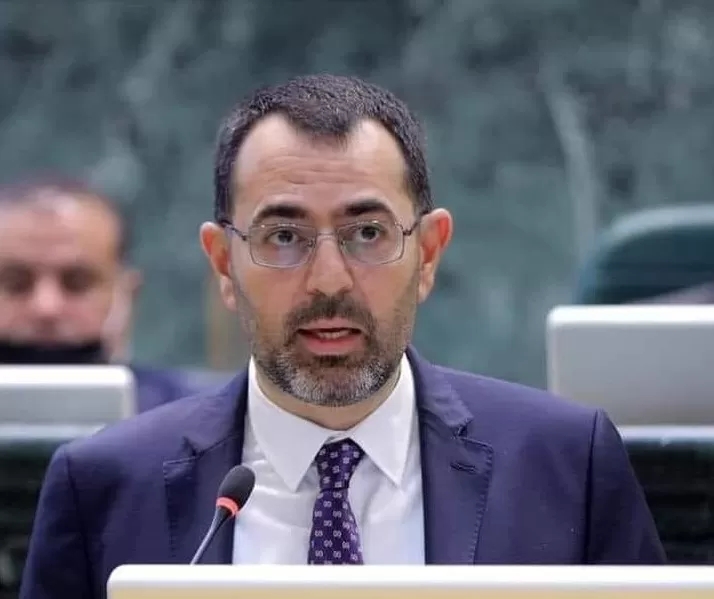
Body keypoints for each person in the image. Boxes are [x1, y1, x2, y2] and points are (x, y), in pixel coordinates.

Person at [20, 74, 665, 599]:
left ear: (429, 254)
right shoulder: (104, 486)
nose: (328, 280)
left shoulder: (566, 464)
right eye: (283, 236)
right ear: (223, 264)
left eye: (368, 234)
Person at [0, 178, 227, 412]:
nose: (46, 308)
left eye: (77, 283)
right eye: (15, 283)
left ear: (128, 295)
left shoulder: (210, 418)